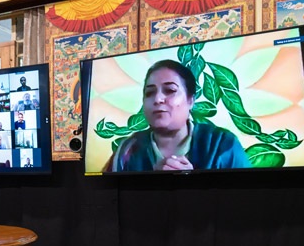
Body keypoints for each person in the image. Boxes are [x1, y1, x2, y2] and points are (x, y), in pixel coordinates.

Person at [106, 59, 251, 172]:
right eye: (149, 93)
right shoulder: (128, 149)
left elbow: (246, 201)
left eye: (170, 90)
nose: (157, 99)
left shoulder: (222, 145)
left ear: (190, 100)